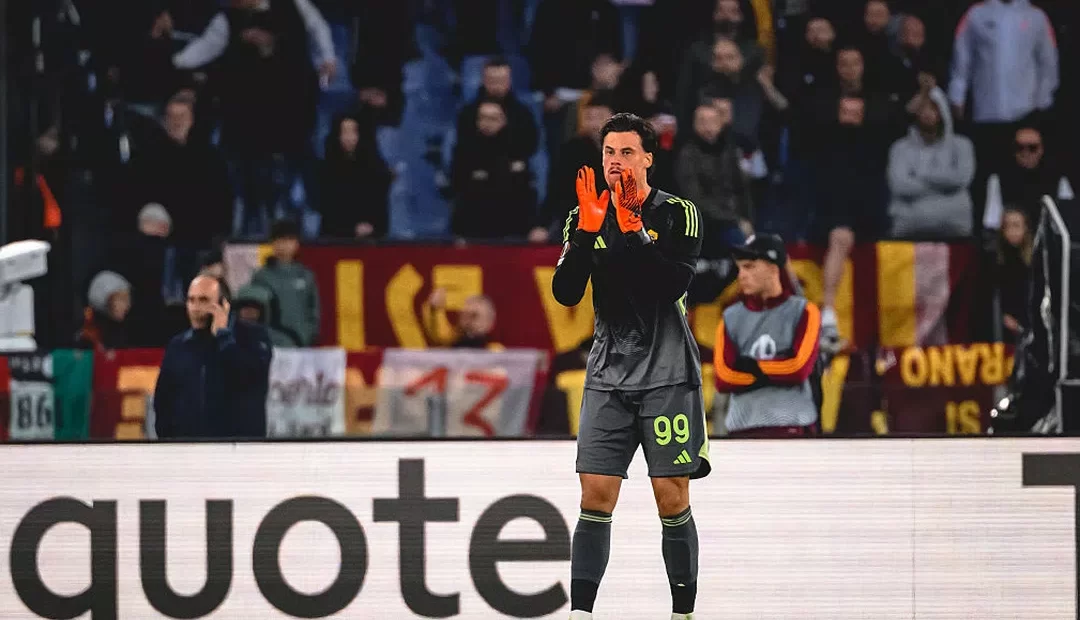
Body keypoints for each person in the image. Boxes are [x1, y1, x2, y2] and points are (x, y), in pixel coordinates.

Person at [552, 112, 707, 620]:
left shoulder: (678, 213)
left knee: (670, 495)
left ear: (647, 159)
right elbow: (566, 292)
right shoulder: (584, 214)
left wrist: (635, 230)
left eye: (626, 153)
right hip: (608, 373)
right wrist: (585, 233)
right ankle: (581, 614)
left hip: (667, 371)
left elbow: (673, 286)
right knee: (595, 494)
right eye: (608, 153)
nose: (615, 162)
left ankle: (682, 613)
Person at [713, 234, 822, 436]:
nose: (741, 275)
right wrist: (776, 369)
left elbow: (798, 368)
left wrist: (753, 367)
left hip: (792, 426)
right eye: (740, 268)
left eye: (749, 267)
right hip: (742, 428)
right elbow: (723, 377)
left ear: (773, 269)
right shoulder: (730, 317)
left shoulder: (805, 312)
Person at [154, 275, 272, 439]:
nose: (195, 308)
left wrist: (223, 336)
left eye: (203, 300)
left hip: (236, 447)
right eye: (191, 300)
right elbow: (163, 400)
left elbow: (248, 376)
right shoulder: (178, 345)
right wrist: (169, 440)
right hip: (187, 448)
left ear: (224, 305)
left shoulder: (253, 336)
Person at [886, 87, 975, 238]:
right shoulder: (899, 148)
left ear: (943, 111)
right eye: (923, 108)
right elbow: (900, 186)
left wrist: (921, 175)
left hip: (955, 225)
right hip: (908, 226)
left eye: (933, 108)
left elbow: (961, 179)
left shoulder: (962, 145)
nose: (927, 113)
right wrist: (945, 186)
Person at [250, 219, 321, 346]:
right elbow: (255, 313)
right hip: (271, 346)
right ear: (272, 243)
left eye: (289, 240)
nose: (285, 245)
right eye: (280, 240)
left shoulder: (306, 275)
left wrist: (306, 336)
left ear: (296, 244)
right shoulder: (261, 277)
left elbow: (314, 312)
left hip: (302, 345)